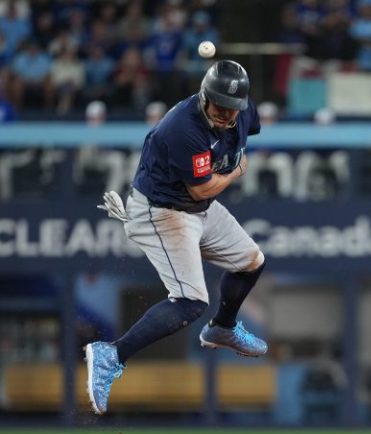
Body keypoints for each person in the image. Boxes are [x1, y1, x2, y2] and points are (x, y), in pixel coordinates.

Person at [86, 60, 268, 415]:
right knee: (189, 301)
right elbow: (202, 189)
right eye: (219, 105)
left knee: (252, 263)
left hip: (198, 210)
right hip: (163, 211)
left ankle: (223, 328)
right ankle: (111, 355)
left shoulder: (242, 113)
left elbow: (245, 133)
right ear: (204, 96)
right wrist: (238, 171)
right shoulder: (182, 126)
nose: (227, 113)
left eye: (234, 108)